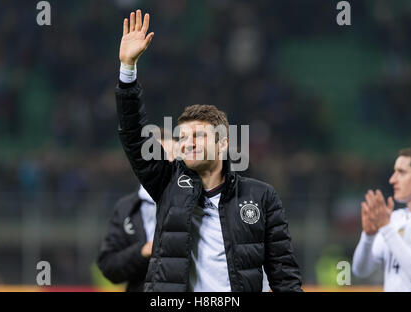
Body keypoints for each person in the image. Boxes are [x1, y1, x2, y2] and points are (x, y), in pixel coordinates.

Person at [115, 10, 302, 292]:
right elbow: (132, 136)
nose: (187, 143)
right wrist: (128, 70)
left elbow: (284, 275)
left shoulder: (261, 196)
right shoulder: (166, 184)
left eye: (199, 135)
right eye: (183, 136)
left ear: (223, 143)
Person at [97, 130, 175, 292]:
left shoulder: (196, 203)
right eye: (155, 155)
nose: (163, 162)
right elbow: (108, 266)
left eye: (168, 155)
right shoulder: (125, 208)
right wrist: (143, 251)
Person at [352, 146, 411, 291]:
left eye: (401, 172)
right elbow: (360, 270)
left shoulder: (388, 225)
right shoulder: (394, 219)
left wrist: (385, 227)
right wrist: (368, 237)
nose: (392, 179)